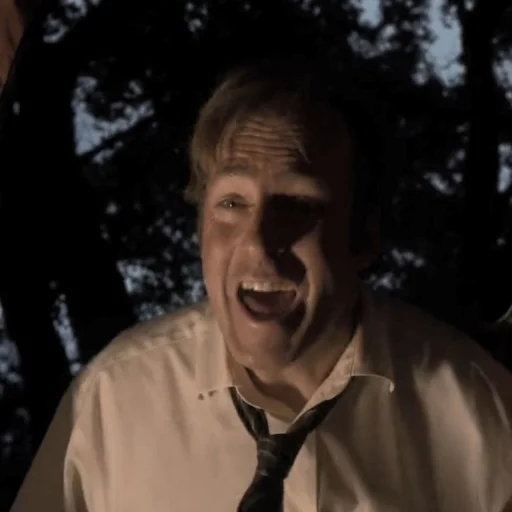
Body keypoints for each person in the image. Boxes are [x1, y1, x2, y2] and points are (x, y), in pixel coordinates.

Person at [10, 57, 512, 512]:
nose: (257, 242)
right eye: (232, 203)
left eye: (299, 205)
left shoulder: (483, 410)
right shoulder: (110, 401)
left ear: (364, 237)